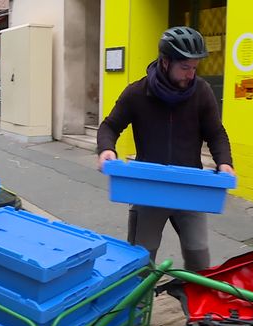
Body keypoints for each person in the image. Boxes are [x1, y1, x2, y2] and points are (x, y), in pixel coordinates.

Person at [96, 26, 236, 272]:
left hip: (190, 187)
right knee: (141, 260)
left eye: (194, 68)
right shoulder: (137, 93)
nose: (191, 75)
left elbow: (216, 133)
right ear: (164, 62)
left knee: (199, 258)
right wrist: (106, 149)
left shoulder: (201, 92)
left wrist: (225, 162)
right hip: (149, 188)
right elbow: (109, 126)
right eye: (184, 67)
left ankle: (194, 307)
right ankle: (139, 308)